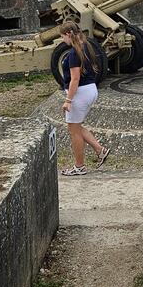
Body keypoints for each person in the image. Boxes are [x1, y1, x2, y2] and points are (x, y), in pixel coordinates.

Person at [57, 21, 109, 176]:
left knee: (74, 131)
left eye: (62, 37)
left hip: (80, 93)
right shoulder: (86, 46)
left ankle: (79, 166)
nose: (62, 41)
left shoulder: (73, 54)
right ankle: (100, 150)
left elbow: (74, 79)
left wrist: (68, 100)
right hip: (90, 89)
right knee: (76, 127)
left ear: (68, 35)